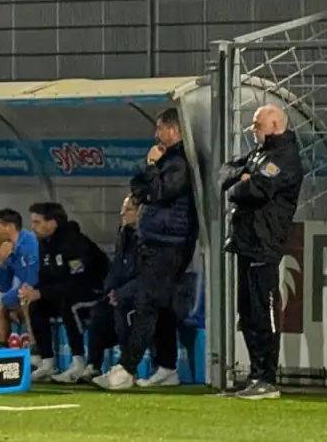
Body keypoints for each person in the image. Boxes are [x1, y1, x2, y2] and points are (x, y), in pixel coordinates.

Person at [98, 108, 198, 391]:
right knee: (161, 305)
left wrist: (153, 167)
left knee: (147, 303)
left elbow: (159, 192)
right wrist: (150, 173)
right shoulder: (168, 161)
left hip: (170, 244)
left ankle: (127, 369)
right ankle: (166, 367)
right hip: (156, 242)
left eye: (160, 128)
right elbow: (138, 188)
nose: (156, 135)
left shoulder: (179, 163)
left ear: (174, 129)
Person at [220, 103, 305, 400]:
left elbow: (257, 190)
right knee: (247, 312)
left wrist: (243, 183)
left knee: (262, 311)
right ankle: (255, 375)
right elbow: (225, 173)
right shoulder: (259, 153)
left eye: (257, 125)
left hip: (264, 243)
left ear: (274, 125)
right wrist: (241, 178)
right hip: (246, 241)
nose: (253, 130)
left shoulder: (285, 157)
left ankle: (266, 378)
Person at [23, 201, 109, 381]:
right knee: (36, 306)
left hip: (94, 291)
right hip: (66, 291)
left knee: (69, 304)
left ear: (52, 223)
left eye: (37, 222)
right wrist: (34, 290)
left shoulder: (74, 243)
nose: (33, 227)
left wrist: (43, 292)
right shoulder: (45, 244)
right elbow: (46, 277)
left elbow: (78, 282)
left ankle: (78, 363)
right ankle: (47, 363)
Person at [74, 195, 142, 384]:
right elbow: (117, 267)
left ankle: (127, 368)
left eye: (128, 209)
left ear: (140, 212)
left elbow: (143, 274)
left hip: (139, 293)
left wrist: (122, 293)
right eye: (123, 209)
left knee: (125, 312)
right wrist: (111, 290)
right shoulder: (124, 234)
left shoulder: (146, 238)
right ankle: (93, 365)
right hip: (120, 292)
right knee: (98, 312)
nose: (122, 213)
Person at [0, 208, 40, 349]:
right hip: (24, 290)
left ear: (10, 227)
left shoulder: (30, 243)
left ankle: (38, 351)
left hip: (44, 290)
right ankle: (0, 350)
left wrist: (12, 301)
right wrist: (1, 262)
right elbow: (2, 286)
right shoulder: (6, 248)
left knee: (25, 297)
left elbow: (33, 280)